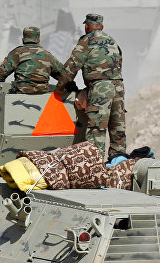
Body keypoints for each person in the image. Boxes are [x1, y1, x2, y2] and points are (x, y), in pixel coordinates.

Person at [54, 13, 125, 160]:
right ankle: (118, 165)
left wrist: (59, 89)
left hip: (100, 88)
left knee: (96, 130)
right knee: (117, 129)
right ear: (101, 26)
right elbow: (119, 64)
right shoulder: (112, 41)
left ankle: (94, 167)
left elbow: (70, 69)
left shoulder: (86, 41)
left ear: (86, 26)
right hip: (118, 86)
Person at [0, 27, 65, 96]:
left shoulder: (17, 53)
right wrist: (71, 88)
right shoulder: (48, 56)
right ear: (38, 40)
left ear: (23, 39)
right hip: (43, 98)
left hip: (19, 97)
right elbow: (64, 75)